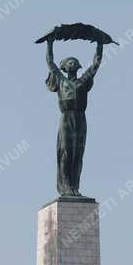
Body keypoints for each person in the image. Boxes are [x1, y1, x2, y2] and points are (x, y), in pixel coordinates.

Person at [46, 32, 103, 197]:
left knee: (78, 152)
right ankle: (65, 186)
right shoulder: (61, 80)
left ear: (77, 66)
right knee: (66, 151)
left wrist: (99, 44)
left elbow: (96, 64)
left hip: (80, 118)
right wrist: (50, 43)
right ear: (64, 67)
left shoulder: (83, 81)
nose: (73, 63)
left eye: (75, 62)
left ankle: (74, 186)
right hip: (66, 118)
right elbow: (50, 62)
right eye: (69, 62)